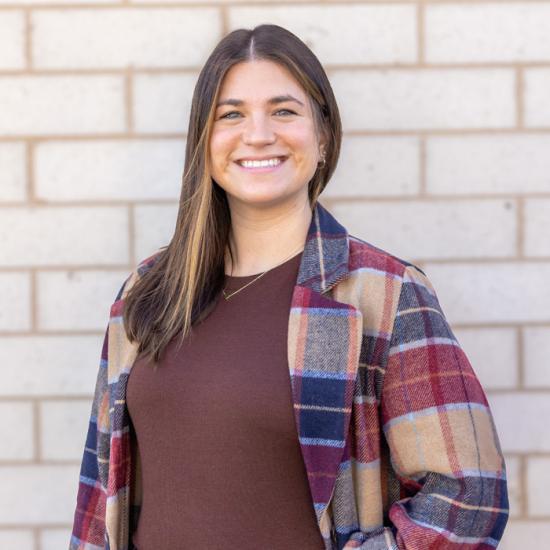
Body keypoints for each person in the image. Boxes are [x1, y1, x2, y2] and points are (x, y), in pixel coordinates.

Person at [69, 24, 509, 550]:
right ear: (204, 142)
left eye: (284, 111)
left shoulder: (384, 294)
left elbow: (468, 498)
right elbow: (100, 496)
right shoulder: (147, 291)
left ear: (322, 137)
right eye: (231, 114)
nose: (258, 134)